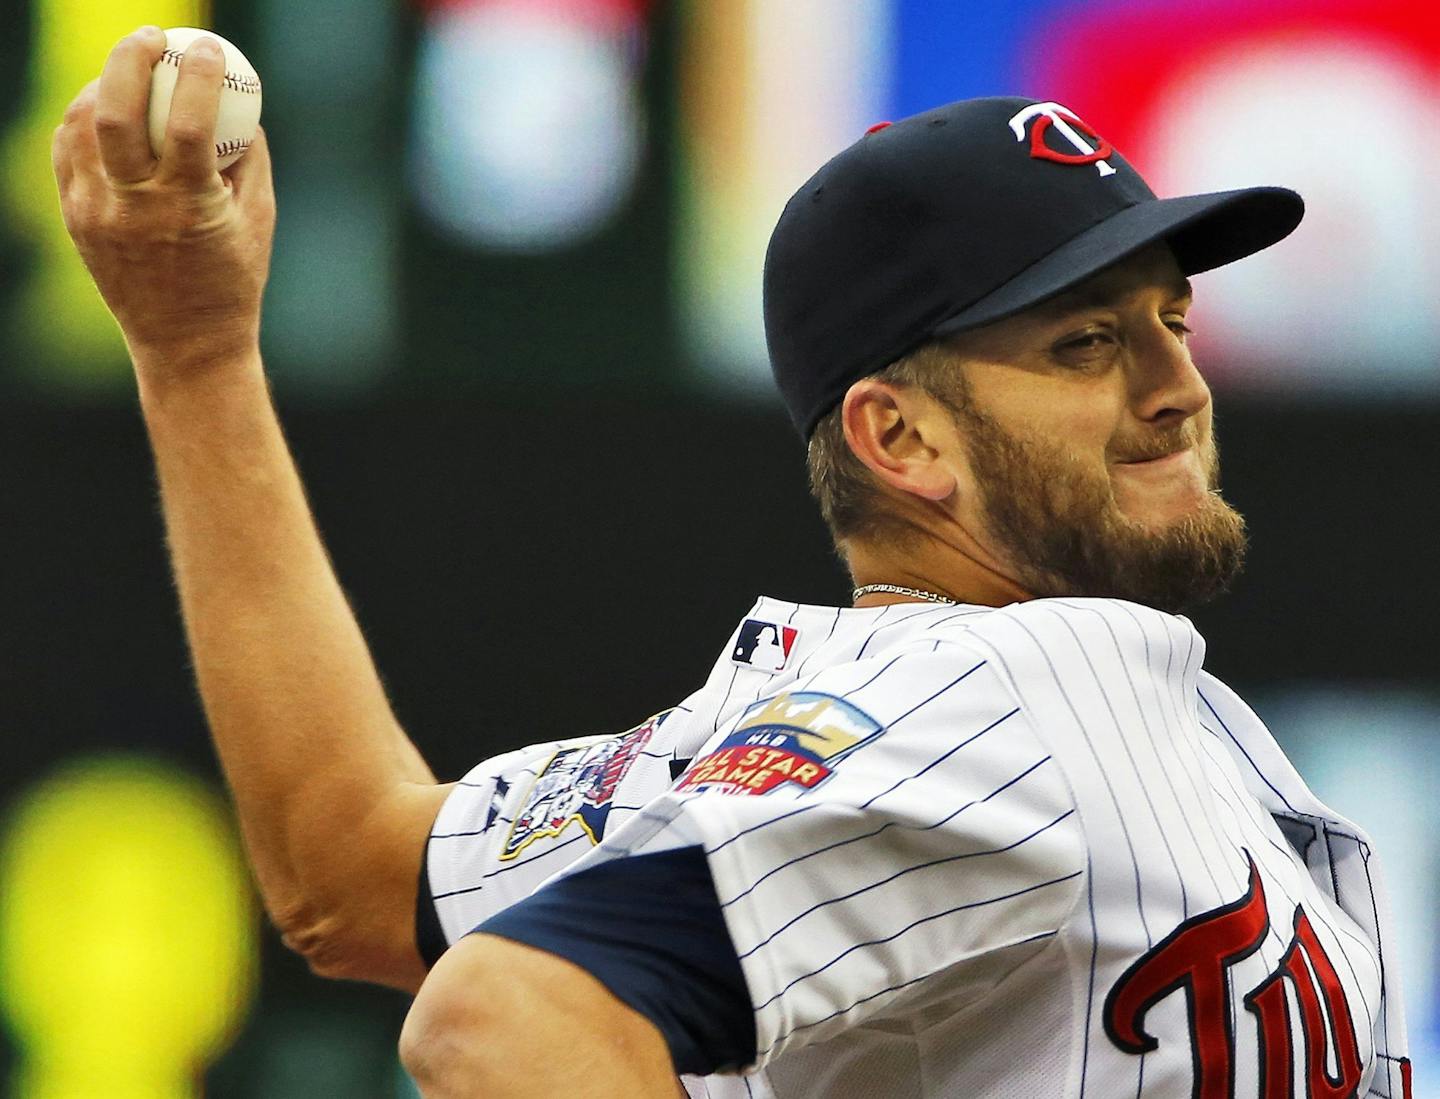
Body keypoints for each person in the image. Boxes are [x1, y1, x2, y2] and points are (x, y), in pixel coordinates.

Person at [54, 28, 1412, 1099]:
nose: (1182, 384)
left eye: (1171, 320)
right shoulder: (1014, 702)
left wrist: (196, 353)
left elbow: (344, 870)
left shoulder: (783, 737)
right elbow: (504, 1012)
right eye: (1088, 344)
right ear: (900, 436)